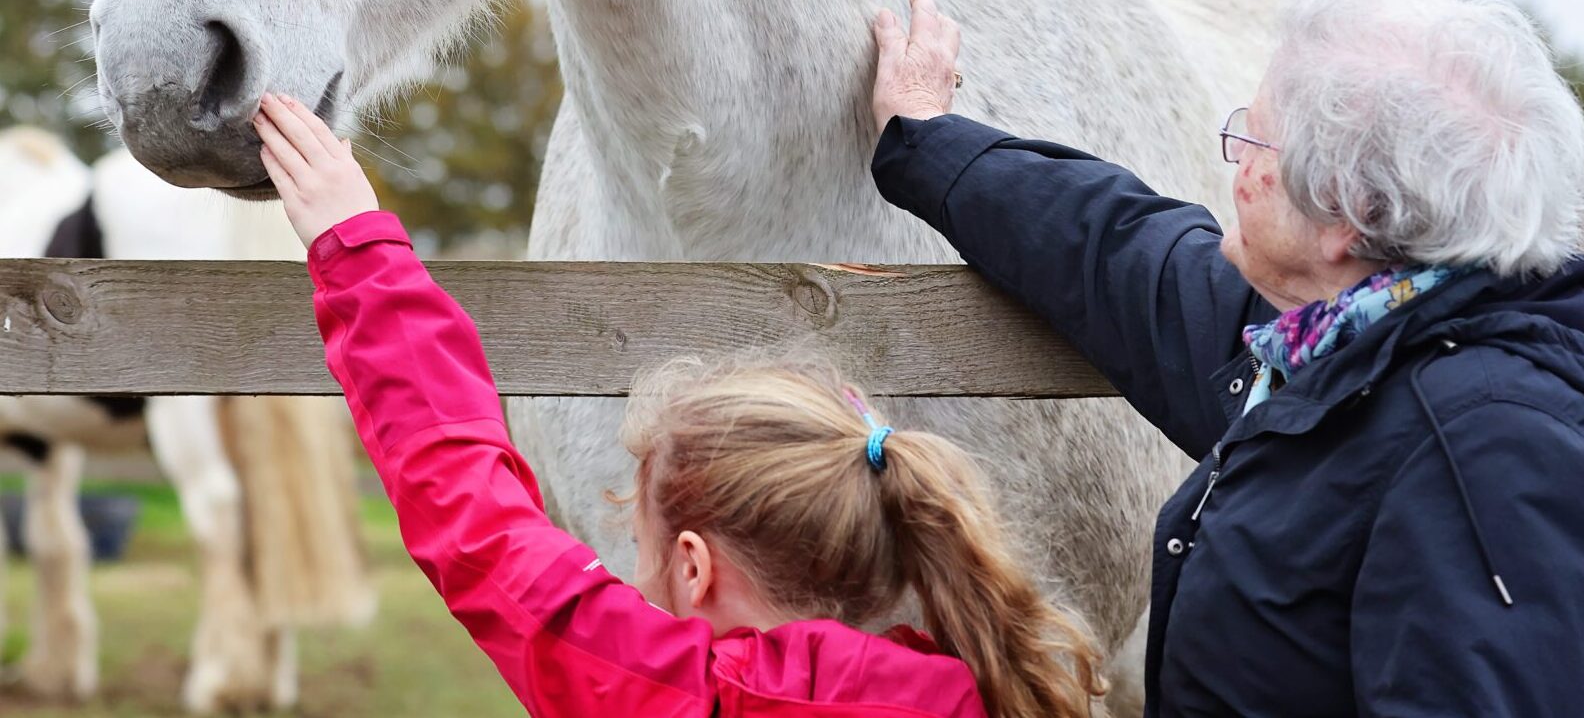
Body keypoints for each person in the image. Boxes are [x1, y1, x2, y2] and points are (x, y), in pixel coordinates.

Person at [868, 0, 1584, 718]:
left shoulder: (1493, 459)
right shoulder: (1341, 342)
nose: (1237, 163)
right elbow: (1114, 248)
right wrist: (927, 137)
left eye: (1257, 139)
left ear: (1349, 215)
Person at [251, 92, 1104, 718]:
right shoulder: (983, 692)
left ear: (693, 567)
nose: (633, 573)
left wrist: (357, 247)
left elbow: (475, 518)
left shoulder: (680, 695)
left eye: (640, 545)